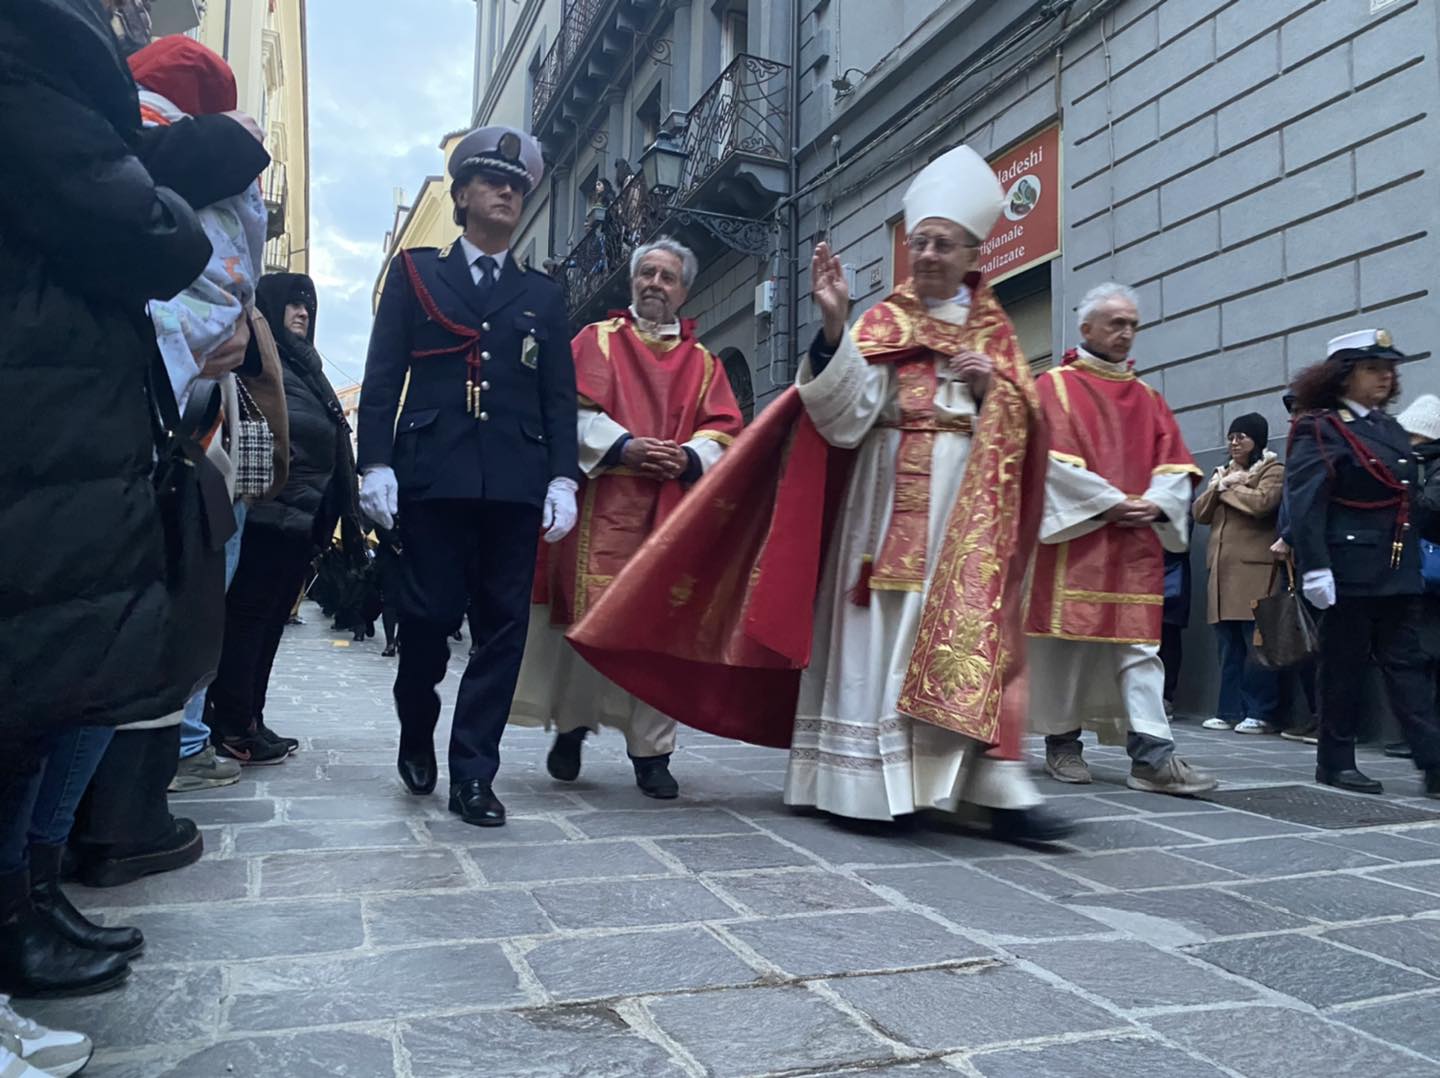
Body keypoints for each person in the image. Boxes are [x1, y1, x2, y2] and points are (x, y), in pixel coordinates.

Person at [568, 145, 1068, 843]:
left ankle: (945, 786)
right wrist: (836, 328)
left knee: (948, 638)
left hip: (961, 518)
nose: (924, 254)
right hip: (881, 507)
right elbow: (843, 416)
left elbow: (1031, 429)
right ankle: (863, 786)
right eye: (917, 241)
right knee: (874, 641)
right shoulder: (882, 321)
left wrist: (995, 393)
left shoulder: (998, 335)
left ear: (972, 252)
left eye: (940, 244)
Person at [1, 0, 269, 998]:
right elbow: (148, 228)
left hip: (78, 412)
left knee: (66, 679)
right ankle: (24, 900)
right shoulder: (35, 55)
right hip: (51, 412)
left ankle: (30, 891)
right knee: (52, 678)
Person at [357, 125, 580, 827]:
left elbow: (558, 398)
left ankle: (474, 774)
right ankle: (417, 725)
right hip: (433, 476)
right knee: (424, 622)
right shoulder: (418, 274)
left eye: (516, 185)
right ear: (461, 196)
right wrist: (375, 462)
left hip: (513, 484)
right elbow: (382, 376)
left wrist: (563, 478)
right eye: (492, 181)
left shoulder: (542, 296)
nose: (508, 191)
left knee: (502, 631)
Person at [512, 238, 744, 799]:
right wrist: (623, 447)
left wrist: (687, 456)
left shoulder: (705, 364)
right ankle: (571, 727)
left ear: (683, 290)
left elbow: (726, 431)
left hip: (669, 514)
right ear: (632, 282)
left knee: (657, 634)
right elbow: (565, 409)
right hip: (603, 505)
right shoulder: (594, 342)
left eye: (667, 277)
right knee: (589, 626)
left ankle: (652, 752)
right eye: (646, 274)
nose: (654, 284)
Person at [1027, 283, 1216, 796]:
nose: (1126, 332)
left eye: (1132, 323)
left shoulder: (1149, 398)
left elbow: (1175, 463)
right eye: (1115, 322)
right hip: (1076, 540)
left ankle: (1153, 756)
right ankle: (1062, 742)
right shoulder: (1054, 387)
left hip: (1135, 541)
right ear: (1086, 328)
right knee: (1068, 647)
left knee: (1140, 648)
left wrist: (1156, 501)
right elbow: (1046, 461)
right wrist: (1108, 500)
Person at [205, 273, 364, 765]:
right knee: (249, 620)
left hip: (300, 517)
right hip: (267, 513)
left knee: (270, 620)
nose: (303, 314)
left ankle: (251, 717)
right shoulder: (262, 360)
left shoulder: (306, 368)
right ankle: (230, 723)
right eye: (294, 305)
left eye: (309, 308)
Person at [1286, 330, 1440, 797]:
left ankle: (1432, 761)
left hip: (1397, 567)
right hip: (1347, 568)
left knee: (1408, 665)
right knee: (1343, 667)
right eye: (1372, 368)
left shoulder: (1388, 429)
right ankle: (1334, 762)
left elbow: (1408, 500)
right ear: (1343, 375)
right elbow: (1307, 501)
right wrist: (1314, 567)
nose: (1385, 377)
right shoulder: (1321, 428)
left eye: (1388, 369)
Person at [1194, 413, 1284, 735]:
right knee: (1228, 647)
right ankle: (1227, 709)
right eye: (1231, 437)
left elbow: (1262, 504)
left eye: (1241, 437)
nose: (1234, 443)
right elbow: (1200, 513)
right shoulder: (1223, 474)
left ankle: (1260, 712)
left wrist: (1226, 488)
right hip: (1221, 574)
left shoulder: (1273, 471)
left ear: (1257, 440)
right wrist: (1219, 486)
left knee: (1256, 645)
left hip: (1255, 573)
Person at [1397, 394, 1440, 760]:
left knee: (1428, 656)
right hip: (1420, 576)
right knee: (1419, 655)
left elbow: (1430, 514)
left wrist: (1406, 488)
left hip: (1433, 572)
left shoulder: (1431, 469)